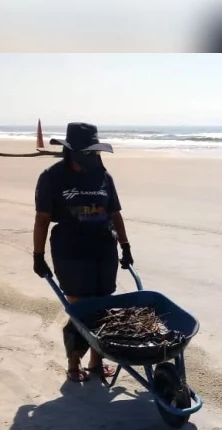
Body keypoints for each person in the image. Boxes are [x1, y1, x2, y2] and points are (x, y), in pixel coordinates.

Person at [31, 122, 134, 382]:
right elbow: (42, 218)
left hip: (104, 248)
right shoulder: (52, 177)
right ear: (72, 151)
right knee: (80, 309)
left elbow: (115, 213)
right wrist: (38, 255)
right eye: (88, 152)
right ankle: (73, 362)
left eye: (94, 151)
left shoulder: (103, 176)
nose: (92, 156)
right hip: (70, 250)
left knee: (102, 306)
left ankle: (96, 363)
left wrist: (125, 246)